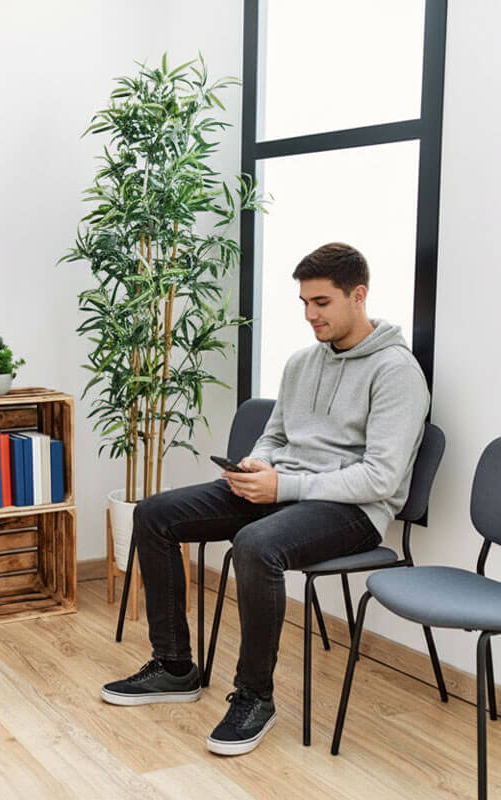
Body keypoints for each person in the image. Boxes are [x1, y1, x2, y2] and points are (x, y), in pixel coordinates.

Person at [100, 242, 430, 756]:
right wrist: (259, 465)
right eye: (303, 302)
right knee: (155, 513)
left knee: (255, 546)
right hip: (283, 489)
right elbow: (276, 436)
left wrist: (286, 486)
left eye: (321, 302)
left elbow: (380, 479)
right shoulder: (302, 362)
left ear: (358, 295)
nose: (310, 314)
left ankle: (255, 697)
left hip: (353, 511)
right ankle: (174, 667)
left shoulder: (396, 372)